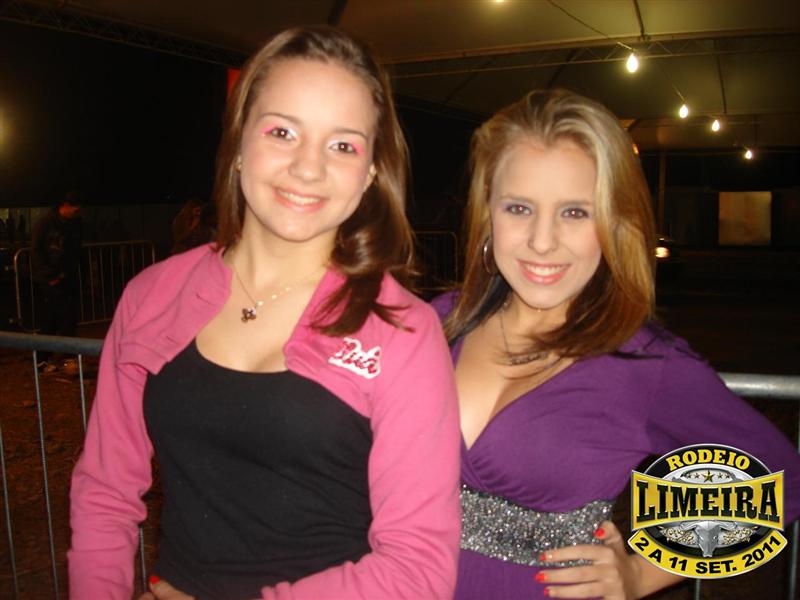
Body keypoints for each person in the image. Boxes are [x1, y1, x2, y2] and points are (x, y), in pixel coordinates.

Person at [69, 27, 461, 600]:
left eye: (343, 145)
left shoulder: (402, 330)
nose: (308, 168)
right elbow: (104, 493)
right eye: (282, 132)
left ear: (372, 172)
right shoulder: (152, 296)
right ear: (238, 144)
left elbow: (418, 571)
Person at [432, 88, 800, 599]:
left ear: (614, 223)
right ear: (487, 214)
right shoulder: (437, 325)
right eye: (519, 208)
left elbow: (781, 484)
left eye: (575, 213)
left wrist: (642, 573)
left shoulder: (643, 361)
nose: (542, 240)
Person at [31, 191, 83, 368]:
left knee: (62, 317)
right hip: (50, 279)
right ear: (65, 206)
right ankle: (56, 357)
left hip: (66, 276)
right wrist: (50, 276)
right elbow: (37, 251)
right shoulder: (45, 223)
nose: (77, 212)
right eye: (75, 208)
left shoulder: (73, 224)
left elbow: (74, 250)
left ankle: (52, 358)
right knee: (59, 317)